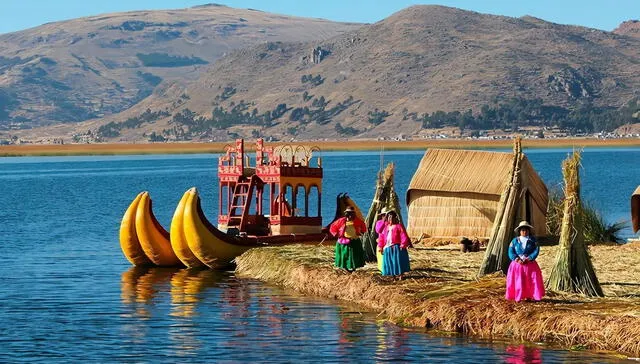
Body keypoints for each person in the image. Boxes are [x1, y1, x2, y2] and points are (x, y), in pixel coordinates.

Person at [505, 221, 545, 302]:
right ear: (519, 231)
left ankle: (529, 296)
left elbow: (536, 251)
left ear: (529, 231)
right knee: (518, 280)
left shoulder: (533, 241)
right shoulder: (515, 241)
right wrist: (517, 259)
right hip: (517, 265)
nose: (524, 231)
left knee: (530, 280)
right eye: (522, 230)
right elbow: (510, 251)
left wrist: (529, 258)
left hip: (530, 265)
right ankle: (518, 296)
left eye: (526, 230)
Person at [329, 206, 367, 272]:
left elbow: (363, 225)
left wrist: (362, 232)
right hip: (344, 241)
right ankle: (345, 267)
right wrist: (336, 234)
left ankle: (354, 267)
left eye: (352, 213)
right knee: (344, 255)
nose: (350, 215)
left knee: (354, 255)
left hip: (354, 240)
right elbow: (333, 227)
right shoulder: (341, 221)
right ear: (346, 214)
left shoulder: (357, 220)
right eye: (349, 213)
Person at [376, 210, 411, 278]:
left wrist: (403, 244)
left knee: (398, 261)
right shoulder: (386, 227)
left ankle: (400, 275)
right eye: (388, 217)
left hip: (396, 247)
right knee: (390, 261)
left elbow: (403, 235)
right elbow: (382, 237)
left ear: (395, 218)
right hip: (387, 247)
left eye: (392, 217)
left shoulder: (398, 226)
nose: (390, 219)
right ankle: (393, 275)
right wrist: (380, 246)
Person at [374, 207, 391, 271]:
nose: (386, 217)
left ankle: (390, 270)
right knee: (381, 258)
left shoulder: (391, 223)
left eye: (388, 215)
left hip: (389, 243)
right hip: (381, 243)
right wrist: (383, 222)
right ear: (382, 216)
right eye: (384, 215)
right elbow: (378, 230)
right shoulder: (379, 222)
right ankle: (383, 270)